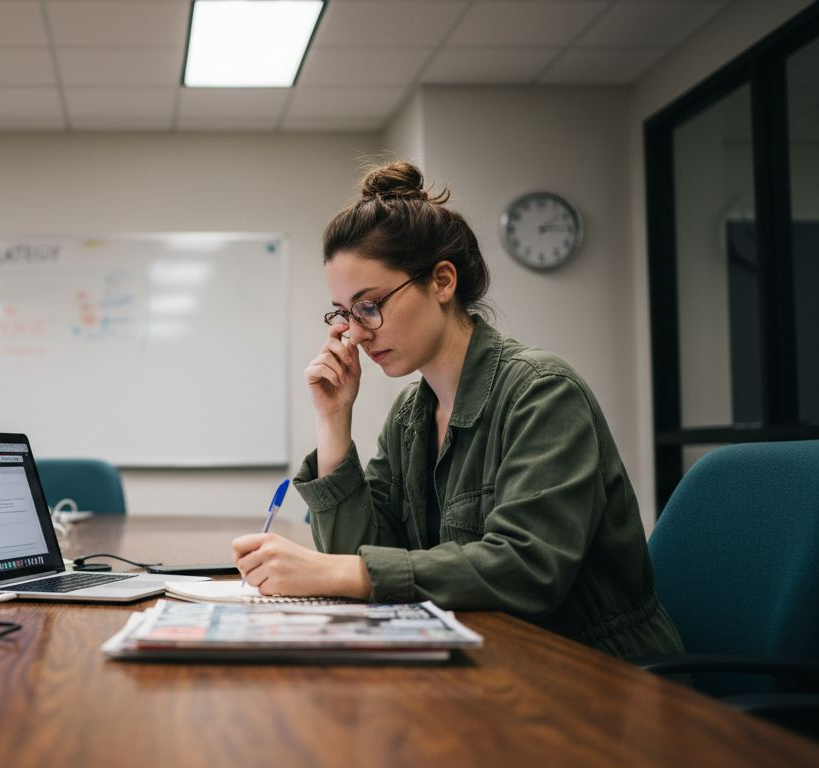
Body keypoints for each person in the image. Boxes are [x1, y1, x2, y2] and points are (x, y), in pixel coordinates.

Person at [232, 161, 683, 659]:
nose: (356, 333)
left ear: (442, 281)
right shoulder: (411, 416)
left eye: (369, 305)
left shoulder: (542, 393)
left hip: (595, 671)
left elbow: (528, 568)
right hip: (489, 658)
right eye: (344, 313)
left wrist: (343, 572)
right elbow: (359, 551)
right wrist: (334, 419)